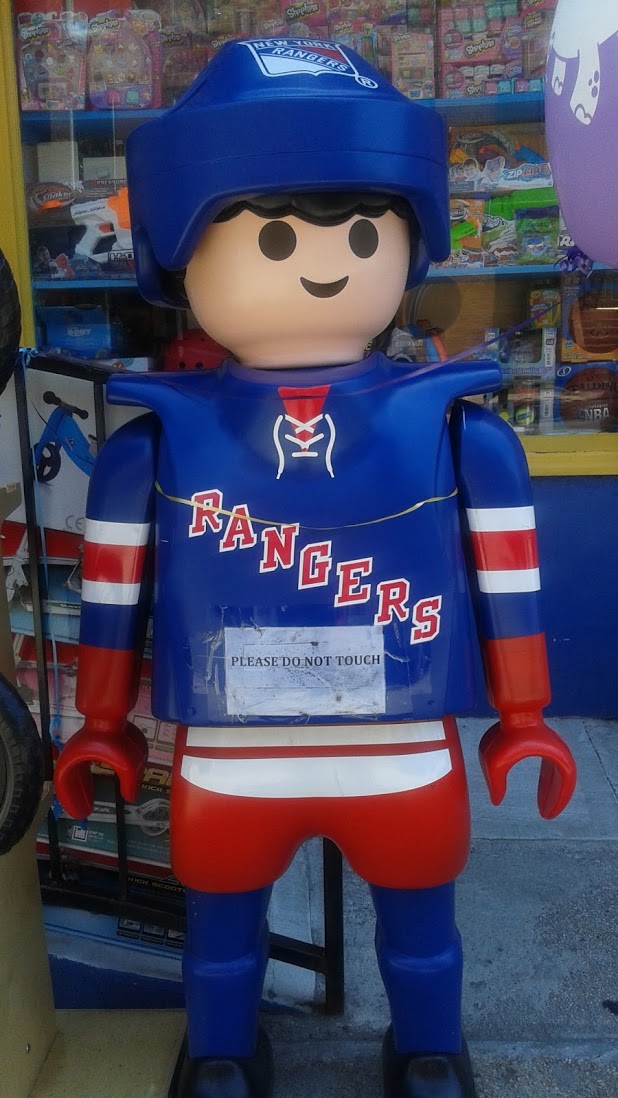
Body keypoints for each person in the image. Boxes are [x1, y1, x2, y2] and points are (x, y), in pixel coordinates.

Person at [54, 38, 576, 1098]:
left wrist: (525, 714)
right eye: (275, 234)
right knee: (221, 933)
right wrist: (99, 721)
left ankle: (427, 1051)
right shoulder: (152, 444)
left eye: (363, 230)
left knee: (420, 928)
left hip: (397, 742)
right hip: (234, 754)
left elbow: (507, 579)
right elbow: (112, 591)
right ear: (179, 255)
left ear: (410, 243)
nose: (324, 262)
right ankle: (223, 1056)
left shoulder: (461, 433)